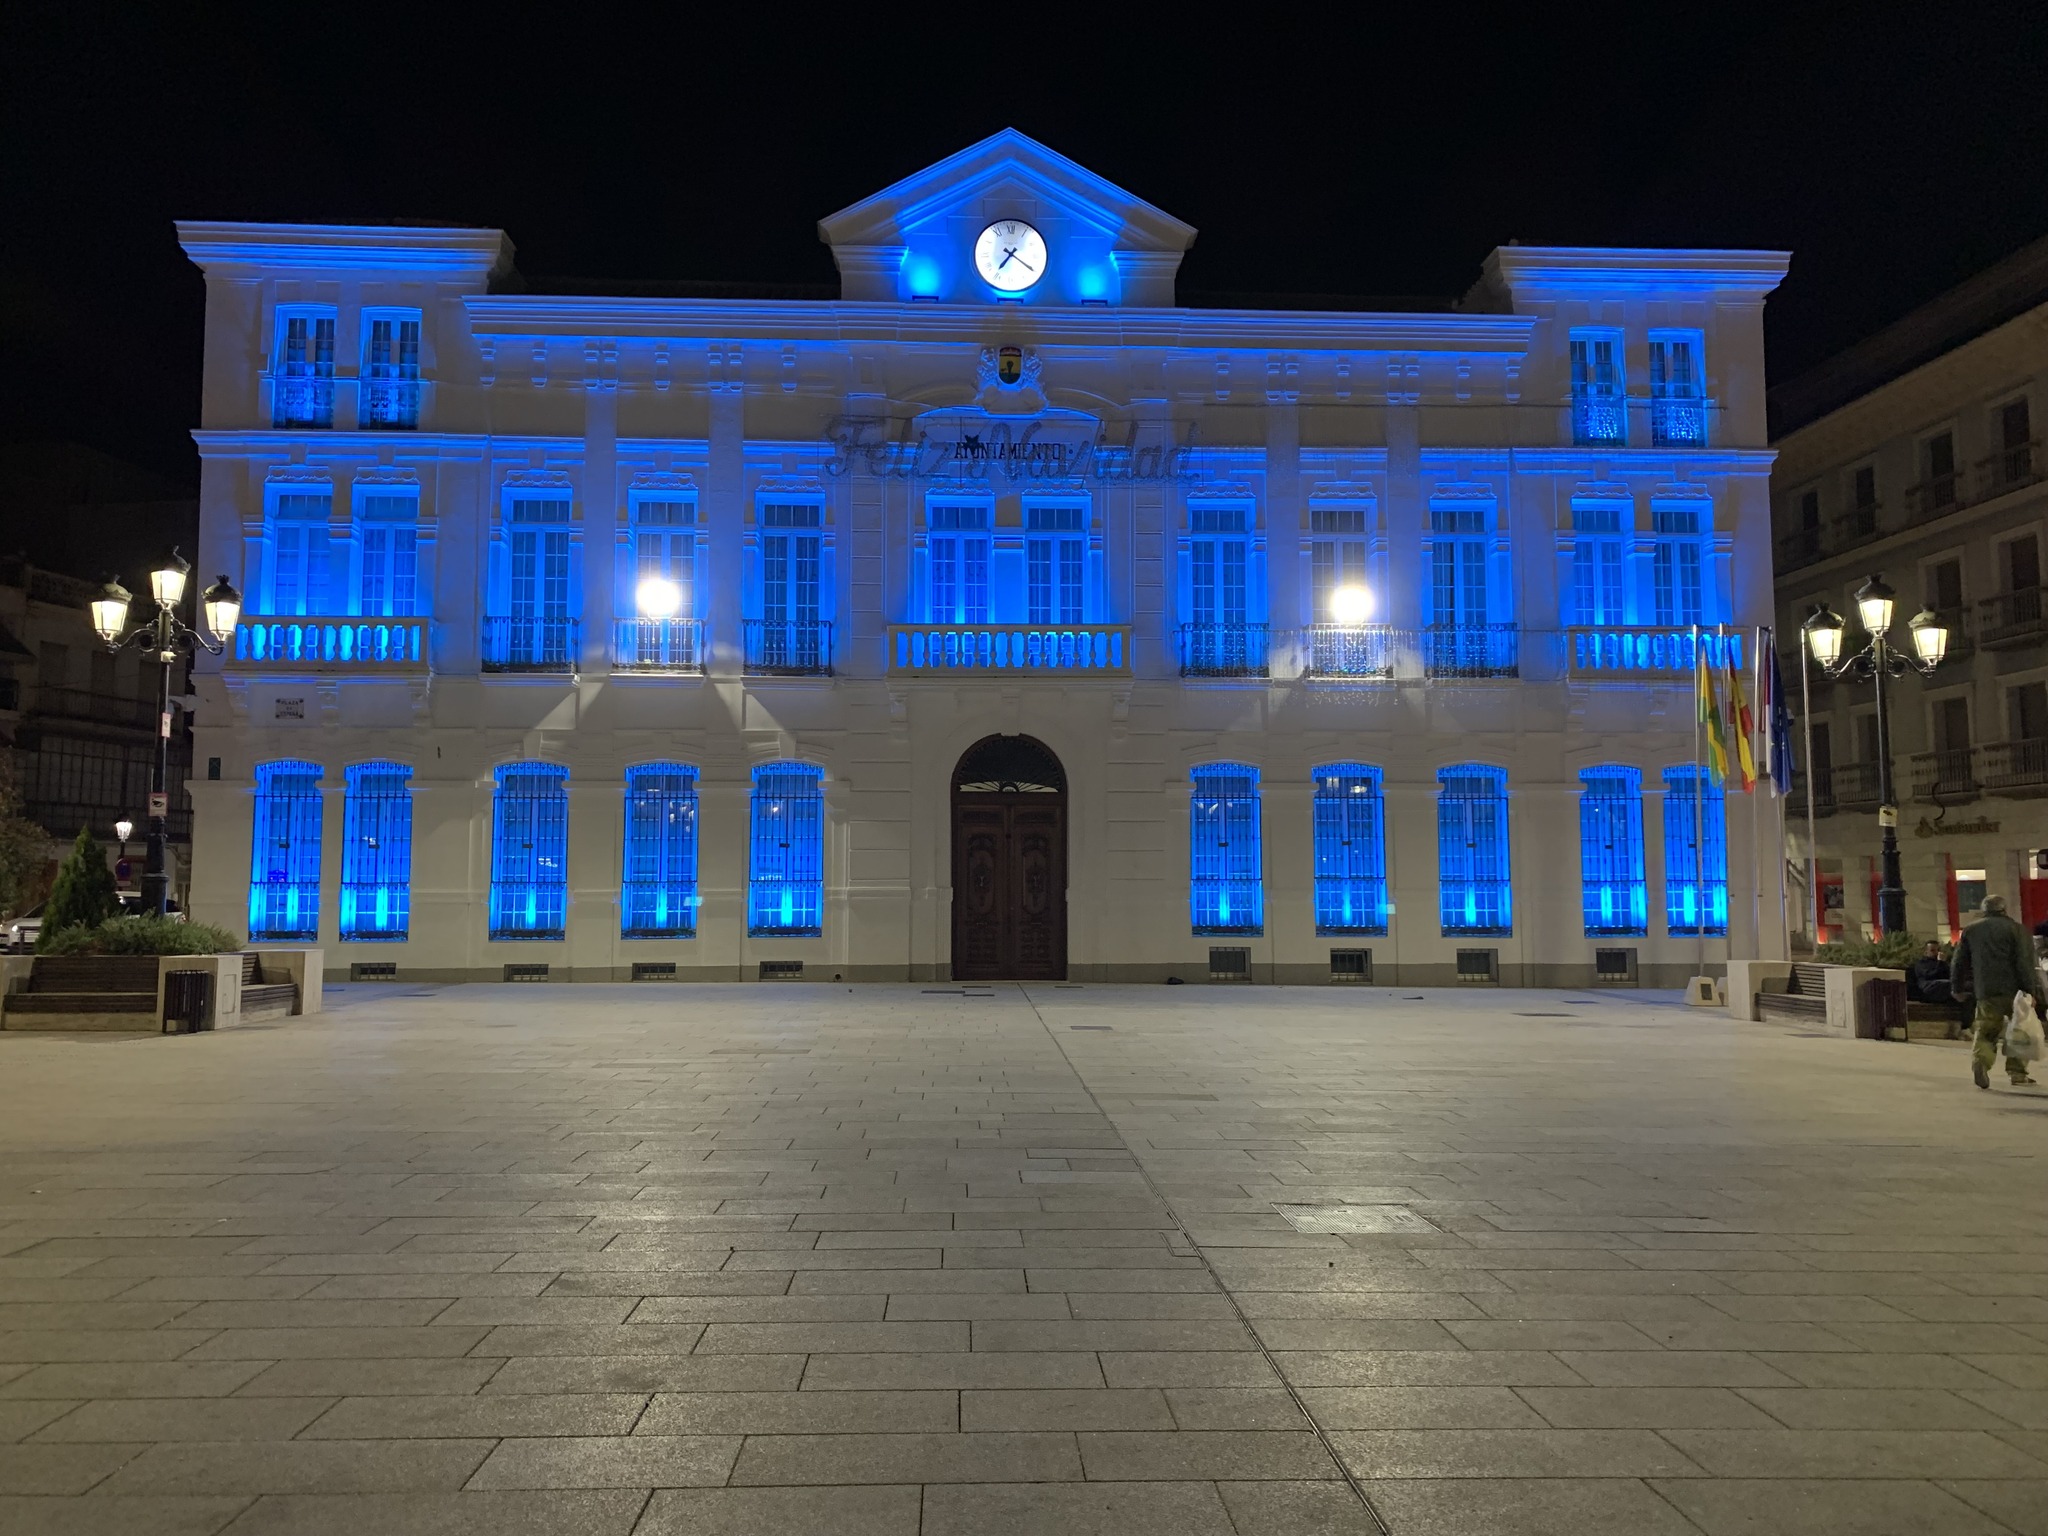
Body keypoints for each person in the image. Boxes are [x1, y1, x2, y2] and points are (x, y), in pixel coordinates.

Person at [1951, 894, 2044, 1090]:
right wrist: (2031, 991)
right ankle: (2017, 1073)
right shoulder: (2017, 930)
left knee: (1985, 1030)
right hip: (2015, 991)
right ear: (2004, 909)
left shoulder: (1971, 930)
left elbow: (1958, 962)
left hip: (1986, 990)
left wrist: (1957, 988)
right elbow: (2024, 963)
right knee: (2020, 1030)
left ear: (1984, 909)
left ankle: (1981, 1062)